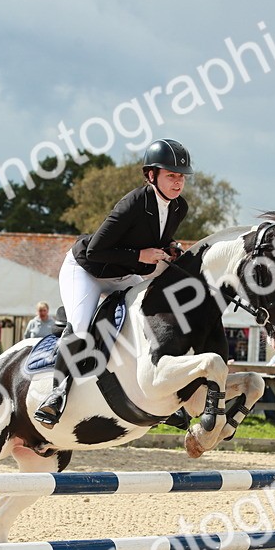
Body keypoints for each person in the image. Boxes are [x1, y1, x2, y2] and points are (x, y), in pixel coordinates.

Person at [34, 138, 192, 427]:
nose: (178, 182)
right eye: (171, 175)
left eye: (181, 176)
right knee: (81, 326)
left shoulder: (179, 207)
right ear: (151, 175)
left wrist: (168, 248)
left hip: (123, 273)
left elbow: (155, 238)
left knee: (149, 320)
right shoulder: (132, 203)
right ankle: (56, 394)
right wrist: (140, 255)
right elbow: (96, 250)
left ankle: (159, 396)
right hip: (87, 270)